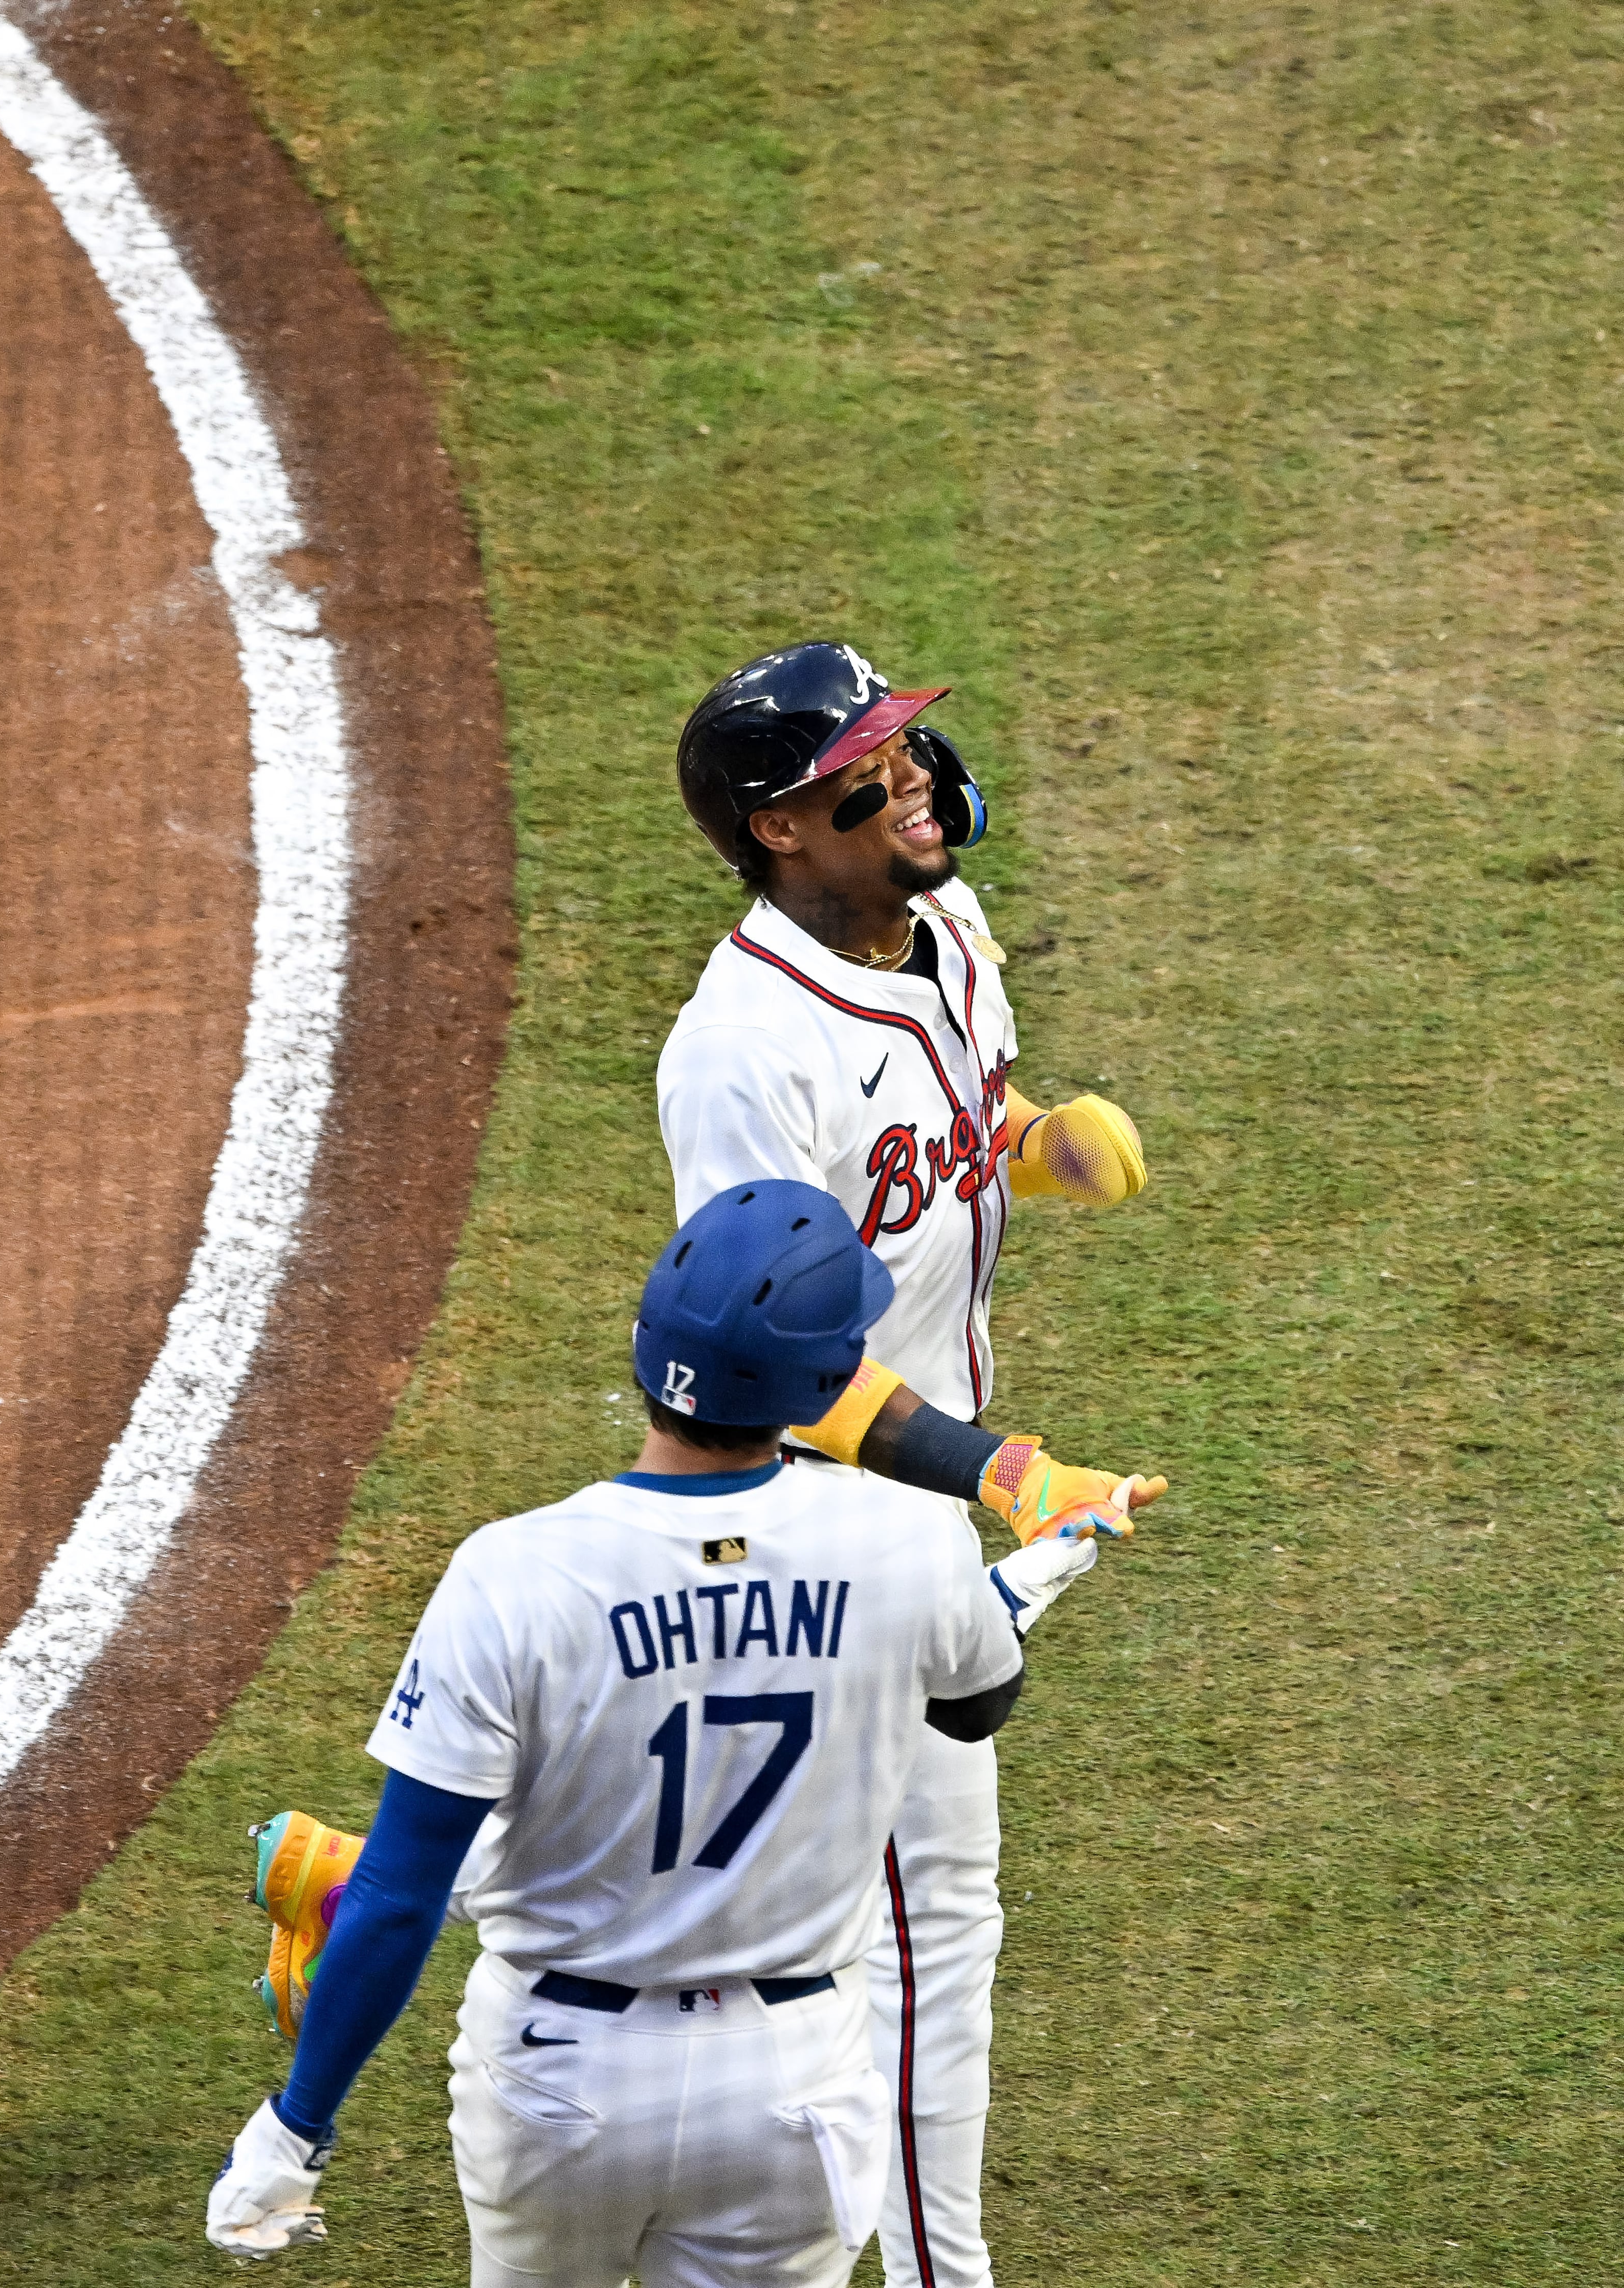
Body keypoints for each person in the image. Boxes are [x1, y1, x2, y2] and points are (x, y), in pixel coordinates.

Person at [206, 1180, 1123, 2280]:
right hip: (790, 2085)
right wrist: (1004, 1593)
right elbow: (974, 1706)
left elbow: (399, 1894)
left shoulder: (513, 1572)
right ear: (833, 1382)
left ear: (645, 1350)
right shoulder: (902, 1545)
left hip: (560, 2081)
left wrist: (297, 2125)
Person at [657, 641, 1166, 2288]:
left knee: (751, 1886)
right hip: (814, 1521)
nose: (920, 782)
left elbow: (949, 1125)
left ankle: (356, 1883)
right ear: (782, 830)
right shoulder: (741, 1052)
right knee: (925, 1922)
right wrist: (1003, 1471)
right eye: (869, 775)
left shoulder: (940, 929)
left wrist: (1033, 1146)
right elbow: (776, 1364)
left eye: (915, 747)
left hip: (921, 1491)